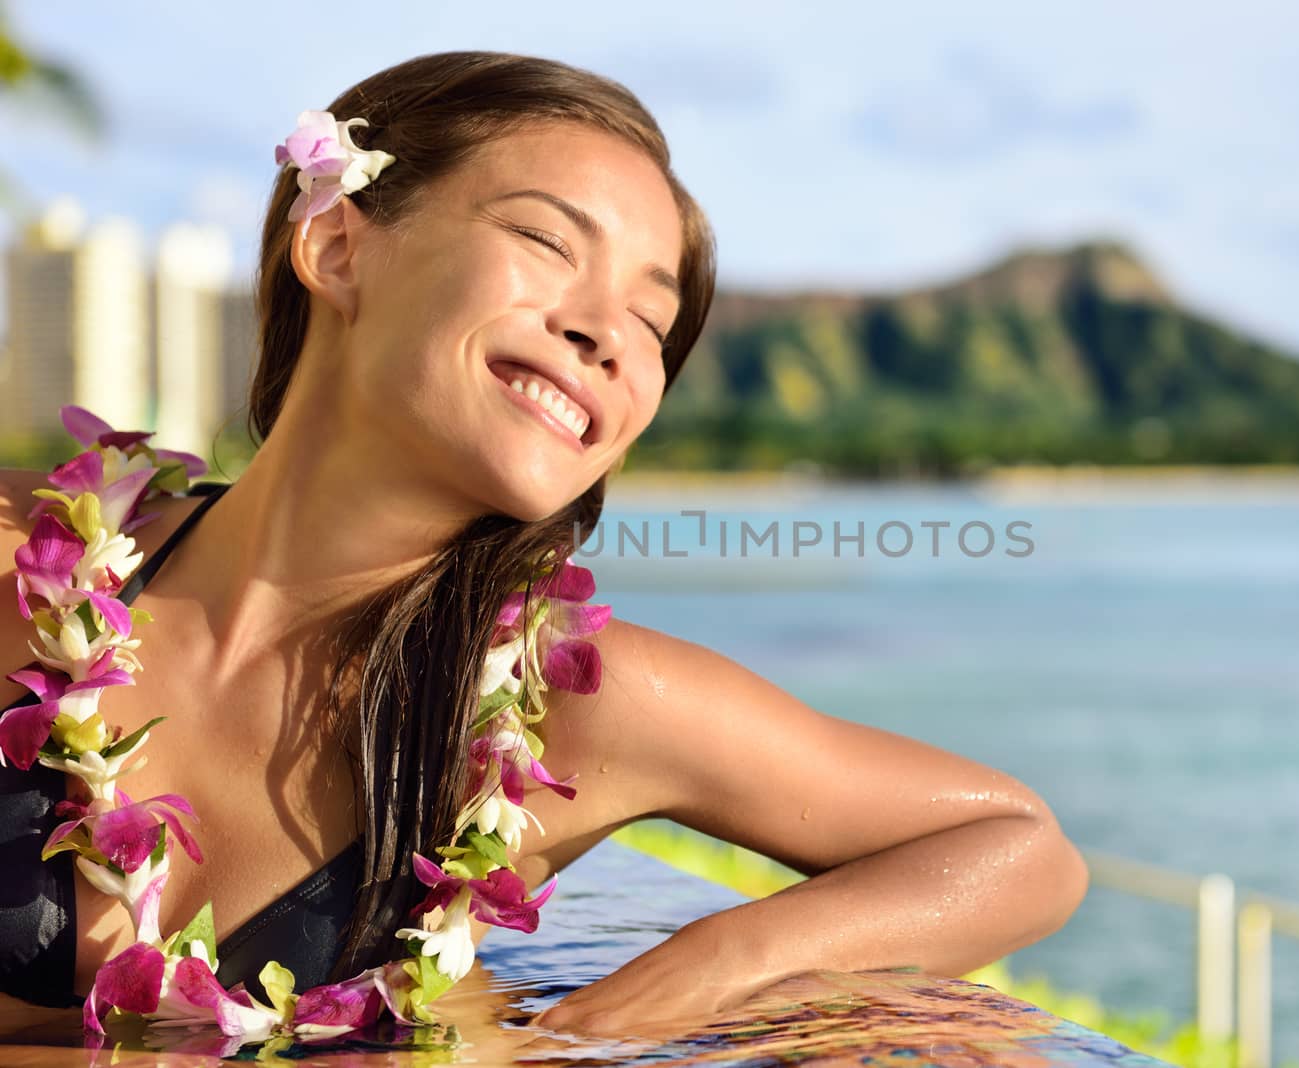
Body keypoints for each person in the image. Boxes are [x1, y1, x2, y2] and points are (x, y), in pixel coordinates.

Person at [0, 50, 1089, 1041]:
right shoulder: (26, 556)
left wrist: (704, 967)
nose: (606, 333)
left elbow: (1017, 846)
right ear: (334, 244)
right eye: (544, 240)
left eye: (653, 325)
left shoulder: (568, 709)